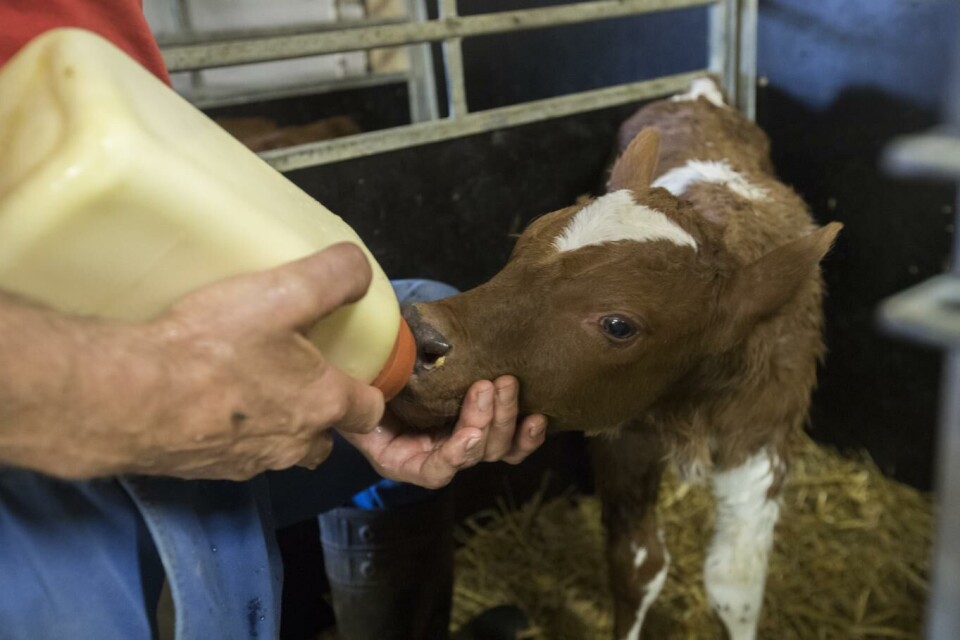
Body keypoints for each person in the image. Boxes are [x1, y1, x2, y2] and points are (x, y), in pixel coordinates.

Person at [0, 3, 548, 639]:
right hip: (33, 413)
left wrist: (321, 360)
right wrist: (132, 392)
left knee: (427, 345)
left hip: (118, 307)